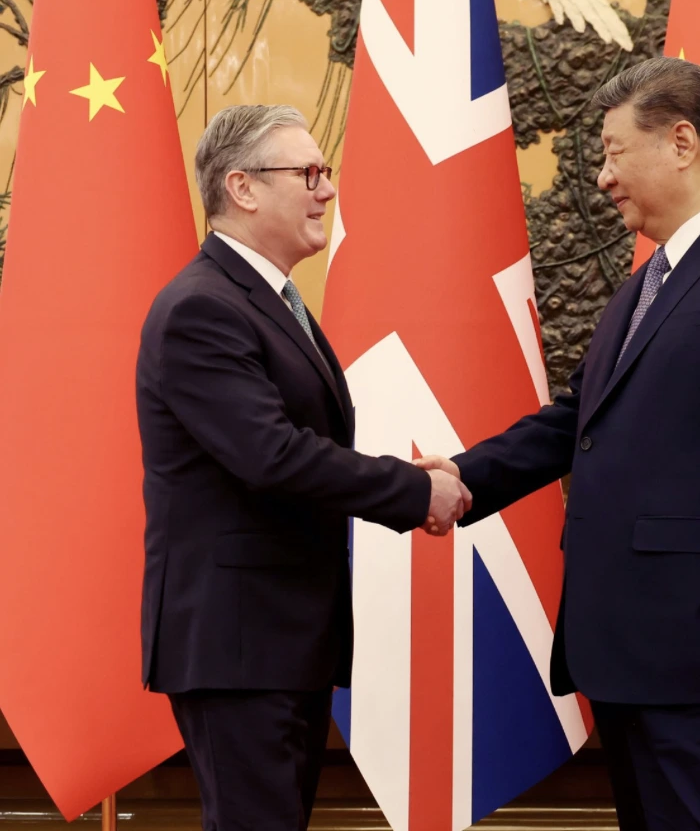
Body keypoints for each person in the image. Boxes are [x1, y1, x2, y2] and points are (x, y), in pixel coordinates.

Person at [417, 58, 700, 830]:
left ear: (681, 142)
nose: (604, 177)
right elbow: (579, 420)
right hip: (634, 651)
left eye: (615, 152)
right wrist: (464, 475)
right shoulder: (645, 286)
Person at [136, 104, 469, 831]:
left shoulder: (266, 301)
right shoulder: (203, 308)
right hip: (239, 645)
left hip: (277, 641)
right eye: (309, 174)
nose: (326, 191)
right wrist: (415, 491)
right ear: (243, 188)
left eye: (327, 174)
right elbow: (273, 456)